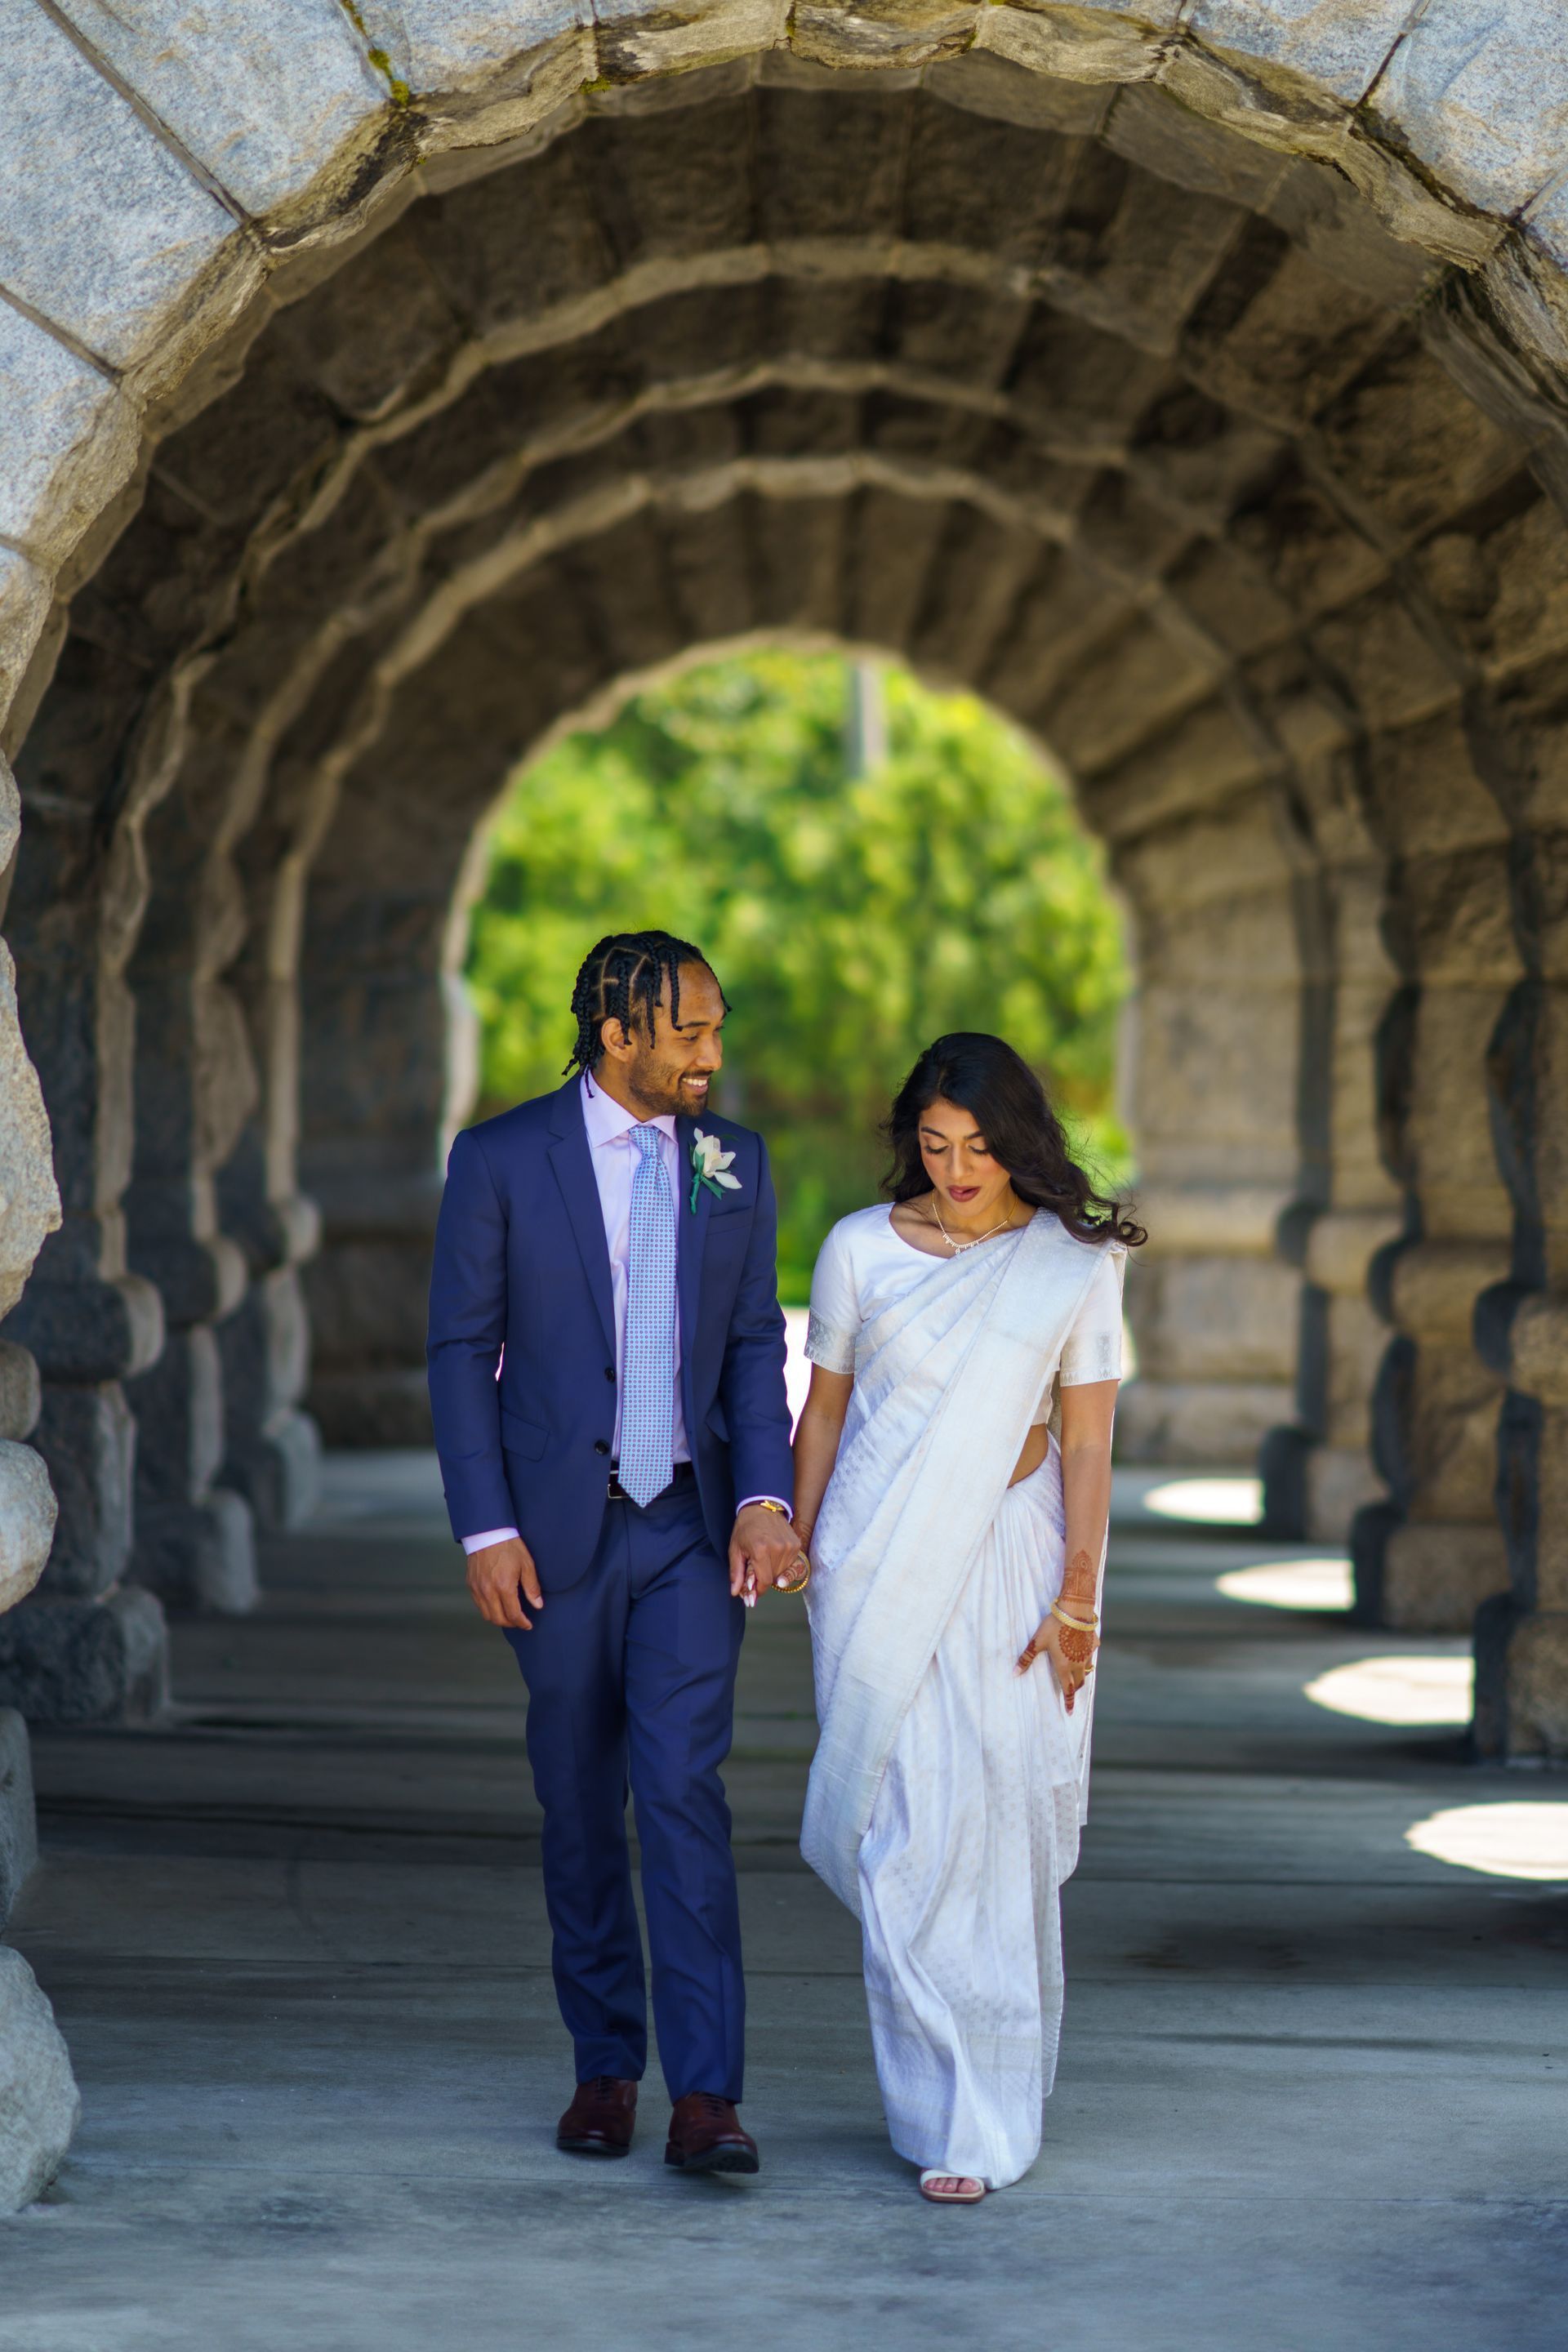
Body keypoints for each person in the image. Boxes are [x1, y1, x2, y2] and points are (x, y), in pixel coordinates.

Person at [426, 930, 808, 2175]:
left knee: (685, 1792)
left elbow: (754, 1343)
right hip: (554, 1536)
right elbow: (459, 1354)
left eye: (716, 1024)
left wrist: (763, 1494)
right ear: (617, 1036)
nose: (712, 1051)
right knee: (582, 1803)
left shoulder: (731, 1162)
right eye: (689, 1030)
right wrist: (485, 1527)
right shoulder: (498, 1161)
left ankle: (708, 2096)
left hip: (692, 1531)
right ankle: (605, 2066)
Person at [790, 1032, 1145, 2203]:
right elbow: (826, 1415)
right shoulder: (857, 1251)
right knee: (904, 1842)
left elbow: (1088, 1439)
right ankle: (934, 2106)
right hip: (878, 1563)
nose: (957, 1170)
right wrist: (795, 1533)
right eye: (936, 1147)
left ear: (1020, 1143)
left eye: (982, 1149)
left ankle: (989, 2118)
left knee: (994, 1830)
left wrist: (1080, 1595)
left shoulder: (1069, 1263)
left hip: (1012, 1562)